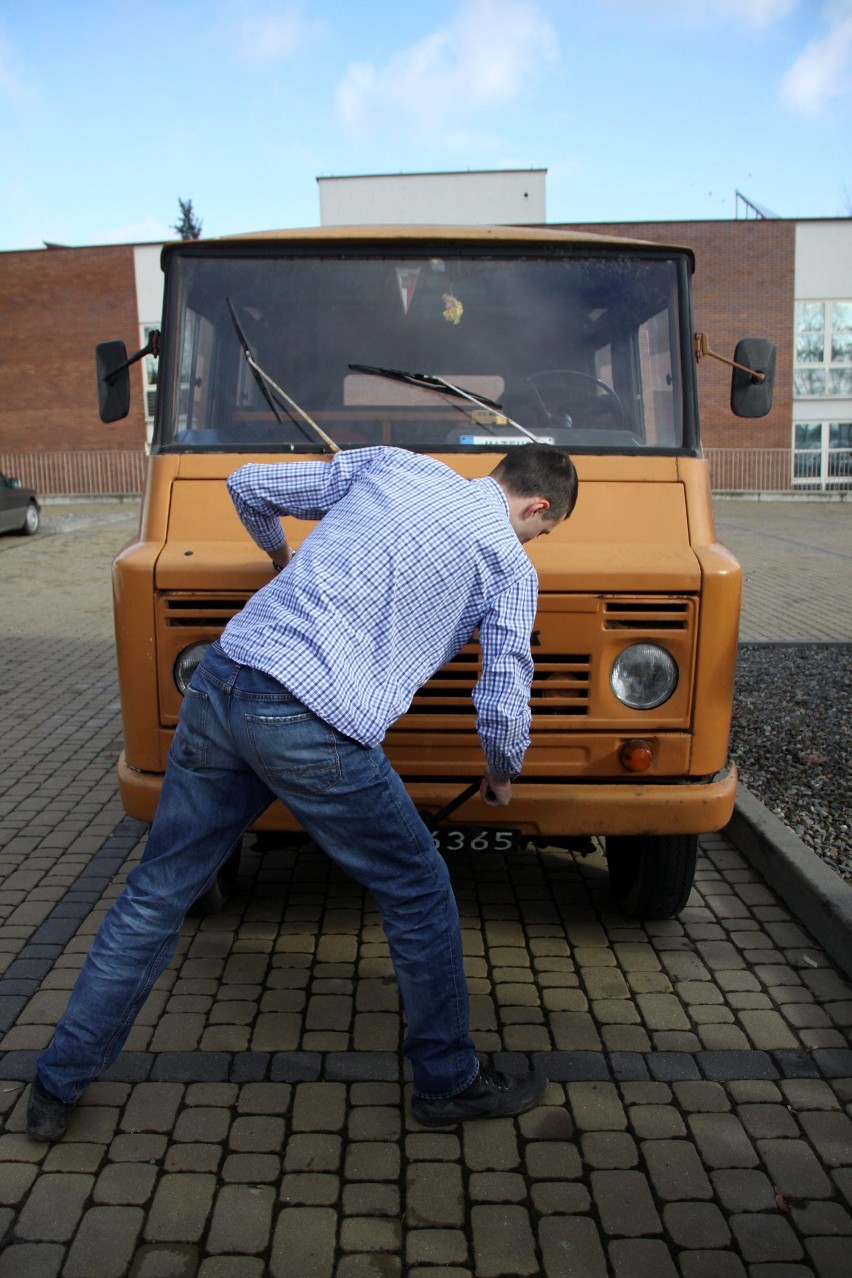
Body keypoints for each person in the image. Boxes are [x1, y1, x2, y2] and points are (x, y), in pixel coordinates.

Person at [27, 443, 578, 1141]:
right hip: (311, 722)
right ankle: (448, 1080)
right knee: (418, 888)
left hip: (226, 679)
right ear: (537, 507)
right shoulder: (509, 563)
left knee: (155, 894)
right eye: (545, 529)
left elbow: (248, 485)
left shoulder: (395, 466)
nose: (537, 539)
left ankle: (55, 1086)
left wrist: (281, 558)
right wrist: (501, 769)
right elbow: (503, 691)